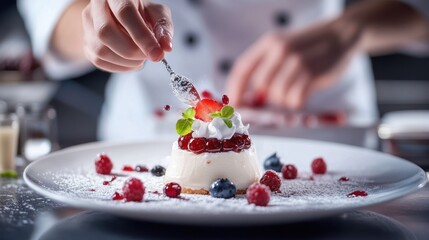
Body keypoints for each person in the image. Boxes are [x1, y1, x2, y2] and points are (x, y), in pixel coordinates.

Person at [18, 0, 429, 141]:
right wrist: (94, 26)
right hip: (145, 146)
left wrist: (354, 28)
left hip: (327, 137)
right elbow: (52, 15)